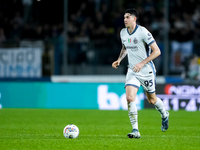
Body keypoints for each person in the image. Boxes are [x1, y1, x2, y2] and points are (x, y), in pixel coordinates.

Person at [112, 8, 169, 139]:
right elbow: (125, 47)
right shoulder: (123, 33)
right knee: (129, 98)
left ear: (134, 19)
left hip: (146, 70)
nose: (125, 19)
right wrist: (119, 59)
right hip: (132, 70)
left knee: (152, 100)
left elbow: (157, 51)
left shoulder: (143, 32)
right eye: (124, 17)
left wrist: (142, 63)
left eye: (127, 17)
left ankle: (164, 114)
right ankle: (135, 130)